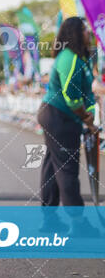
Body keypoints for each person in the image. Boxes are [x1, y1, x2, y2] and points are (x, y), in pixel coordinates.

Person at [37, 16, 99, 233]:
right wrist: (86, 118)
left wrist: (90, 115)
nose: (88, 33)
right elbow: (72, 97)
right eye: (84, 29)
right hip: (59, 116)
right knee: (67, 168)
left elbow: (88, 94)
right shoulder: (69, 58)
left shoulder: (81, 59)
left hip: (60, 116)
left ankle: (50, 220)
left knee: (54, 166)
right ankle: (78, 222)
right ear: (74, 32)